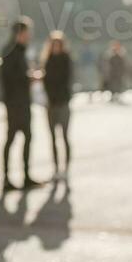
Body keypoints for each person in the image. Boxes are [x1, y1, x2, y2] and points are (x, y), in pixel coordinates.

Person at [0, 17, 45, 192]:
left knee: (26, 138)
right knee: (12, 139)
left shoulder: (19, 51)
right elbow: (11, 79)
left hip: (22, 102)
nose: (29, 36)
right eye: (27, 33)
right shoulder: (11, 52)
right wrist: (30, 78)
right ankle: (7, 179)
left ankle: (25, 176)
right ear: (20, 34)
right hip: (15, 103)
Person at [40, 30, 74, 178]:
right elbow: (46, 83)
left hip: (63, 103)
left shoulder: (66, 60)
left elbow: (65, 81)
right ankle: (55, 168)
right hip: (51, 104)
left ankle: (66, 168)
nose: (55, 47)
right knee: (52, 138)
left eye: (58, 44)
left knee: (65, 137)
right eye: (53, 44)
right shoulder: (47, 61)